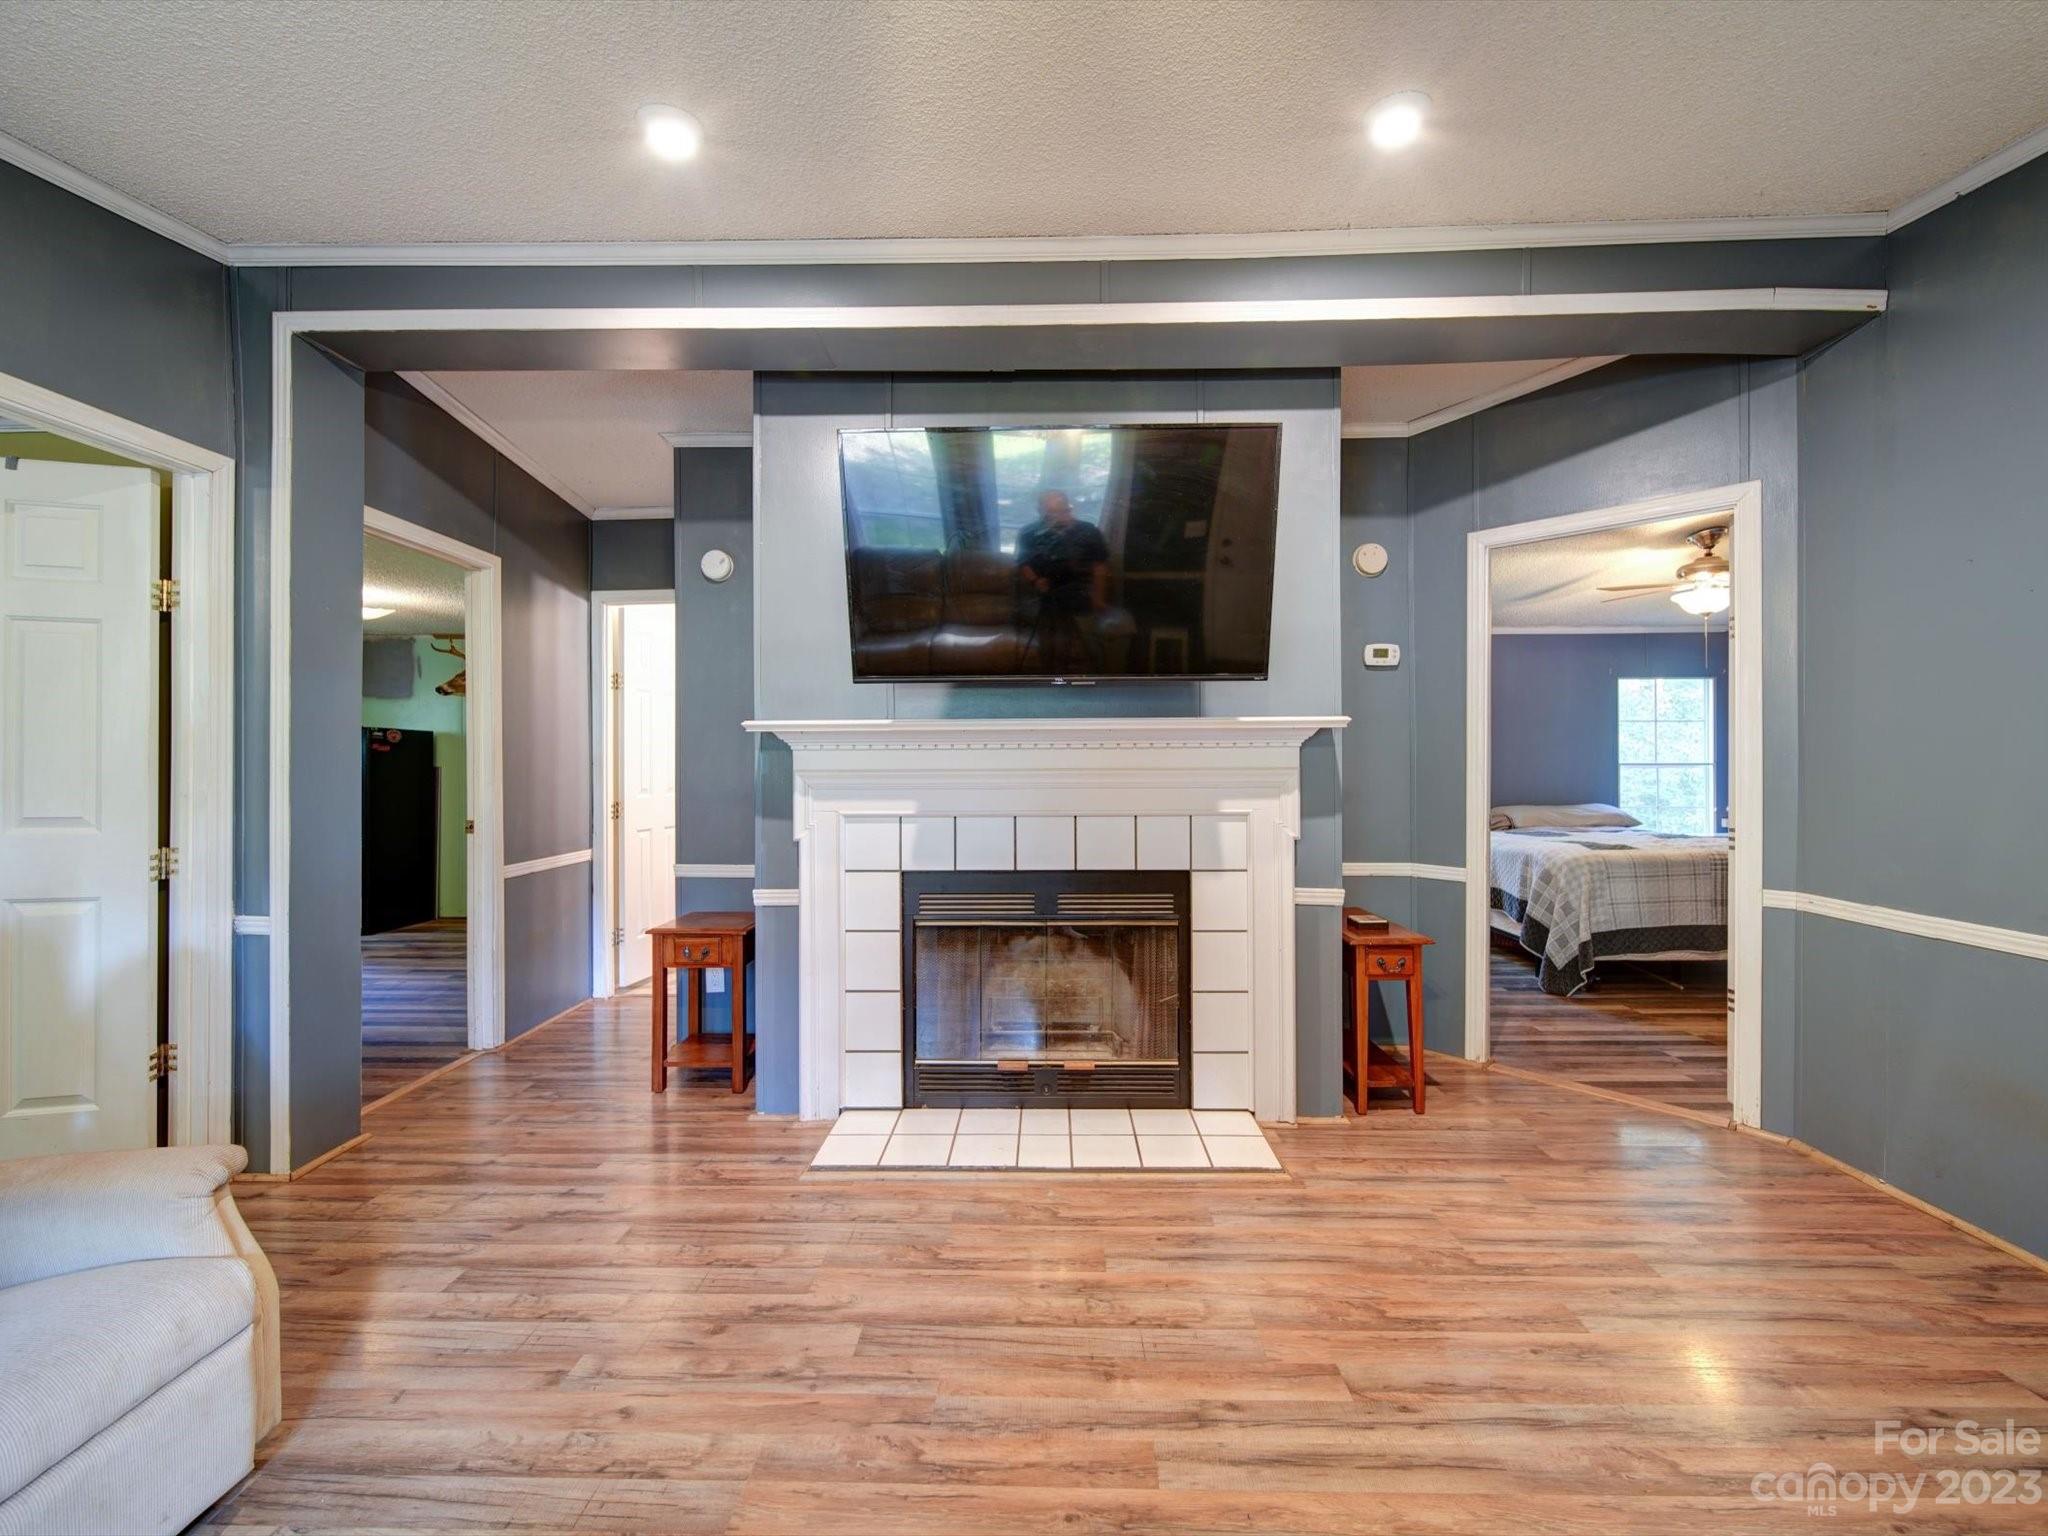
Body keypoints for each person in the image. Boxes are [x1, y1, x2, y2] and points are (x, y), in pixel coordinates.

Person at [1015, 489, 1112, 673]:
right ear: (1040, 511)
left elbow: (1100, 566)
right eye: (1050, 511)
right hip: (1047, 598)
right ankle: (1051, 684)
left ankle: (1099, 684)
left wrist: (1098, 598)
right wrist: (1036, 581)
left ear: (1068, 507)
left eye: (1061, 509)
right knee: (1049, 648)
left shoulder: (1088, 530)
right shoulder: (1028, 532)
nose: (1057, 515)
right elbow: (1023, 563)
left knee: (1092, 646)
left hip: (1081, 596)